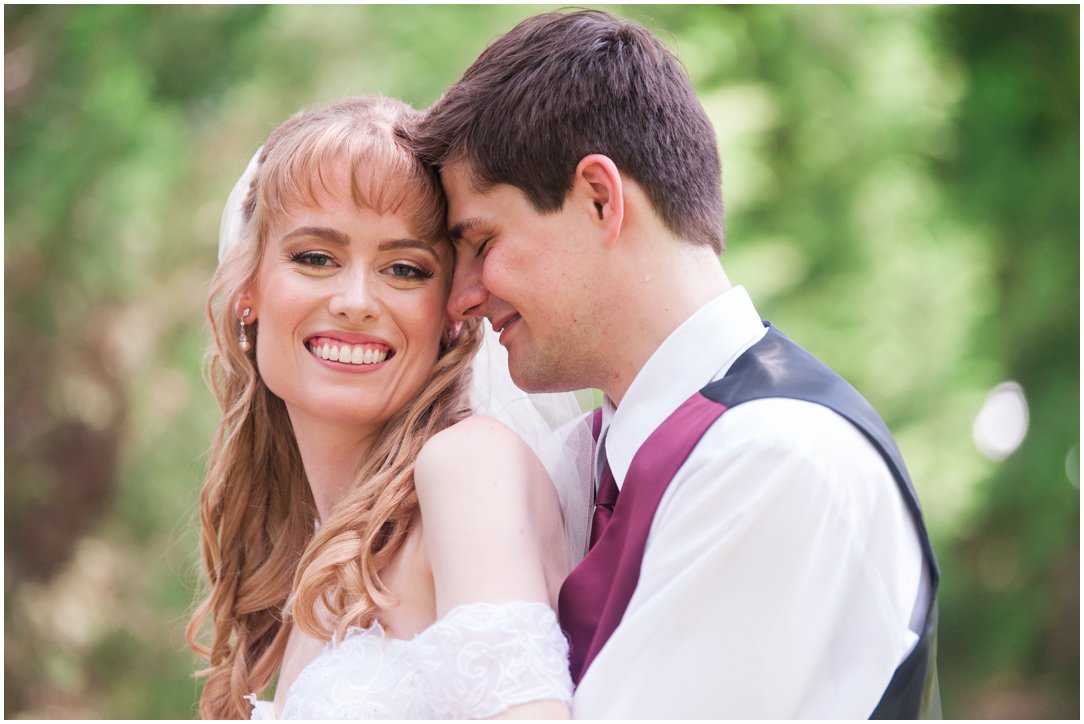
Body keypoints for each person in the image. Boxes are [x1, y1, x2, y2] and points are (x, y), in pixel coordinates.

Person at [406, 9, 940, 719]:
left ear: (600, 198)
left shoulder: (778, 460)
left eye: (481, 242)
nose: (463, 298)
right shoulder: (584, 461)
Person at [186, 96, 581, 720]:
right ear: (248, 292)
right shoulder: (314, 571)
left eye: (404, 269)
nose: (356, 300)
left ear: (452, 315)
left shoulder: (468, 468)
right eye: (315, 257)